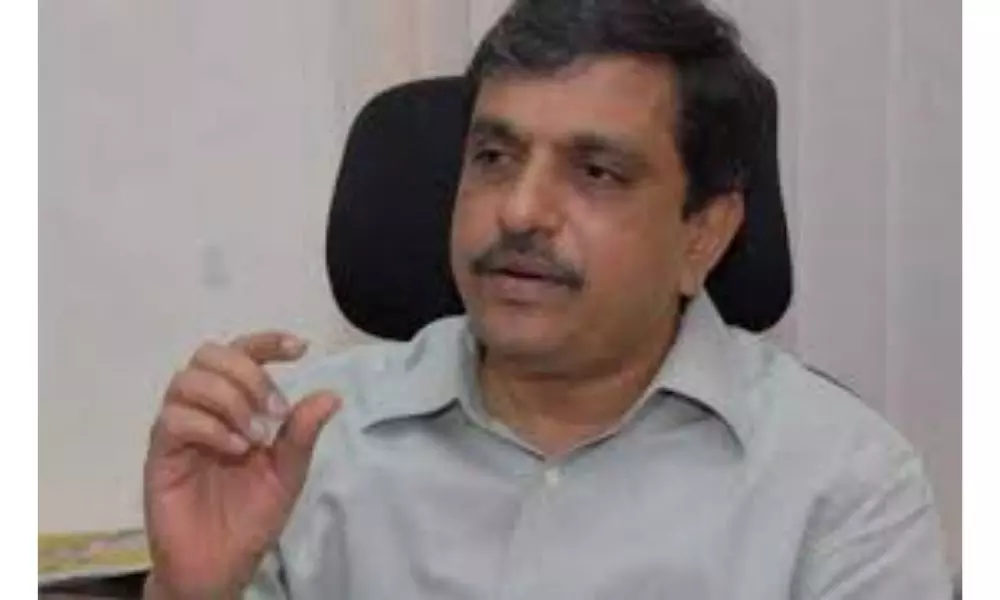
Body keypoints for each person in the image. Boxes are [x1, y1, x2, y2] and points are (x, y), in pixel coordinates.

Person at [141, 0, 953, 598]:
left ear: (703, 235)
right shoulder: (298, 447)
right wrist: (188, 593)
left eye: (597, 172)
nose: (520, 211)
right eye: (494, 157)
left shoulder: (841, 488)